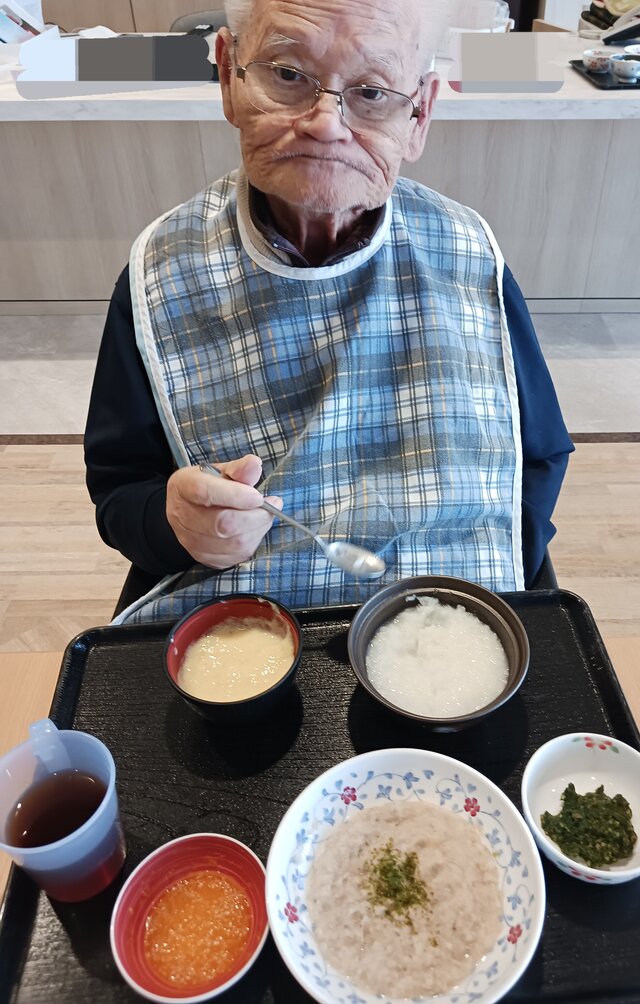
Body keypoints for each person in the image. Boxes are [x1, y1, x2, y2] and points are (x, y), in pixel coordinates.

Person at [84, 0, 573, 624]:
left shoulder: (468, 251)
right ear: (229, 75)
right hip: (249, 622)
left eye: (372, 92)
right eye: (288, 74)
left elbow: (538, 455)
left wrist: (500, 556)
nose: (324, 124)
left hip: (453, 617)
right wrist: (170, 522)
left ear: (419, 114)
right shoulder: (164, 269)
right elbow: (122, 486)